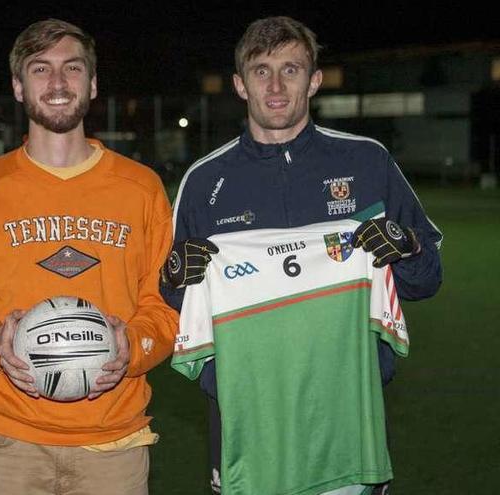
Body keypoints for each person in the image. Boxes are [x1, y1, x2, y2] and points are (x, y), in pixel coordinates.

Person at [162, 16, 442, 495]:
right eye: (261, 70)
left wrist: (408, 248)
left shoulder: (367, 162)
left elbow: (426, 278)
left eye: (290, 70)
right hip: (246, 418)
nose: (275, 86)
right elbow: (176, 303)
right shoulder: (204, 182)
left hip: (349, 411)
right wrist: (173, 277)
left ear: (313, 81)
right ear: (240, 85)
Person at [0, 18, 179, 495]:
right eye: (39, 69)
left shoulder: (141, 189)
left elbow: (166, 309)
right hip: (5, 444)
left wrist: (131, 348)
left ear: (92, 84)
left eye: (72, 68)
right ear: (18, 86)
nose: (57, 83)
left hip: (113, 446)